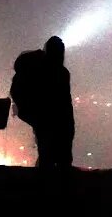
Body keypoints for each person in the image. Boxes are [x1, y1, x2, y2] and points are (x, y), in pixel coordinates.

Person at [10, 35, 75, 170]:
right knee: (60, 160)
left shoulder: (40, 70)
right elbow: (63, 103)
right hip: (60, 123)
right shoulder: (61, 73)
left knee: (47, 158)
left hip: (45, 122)